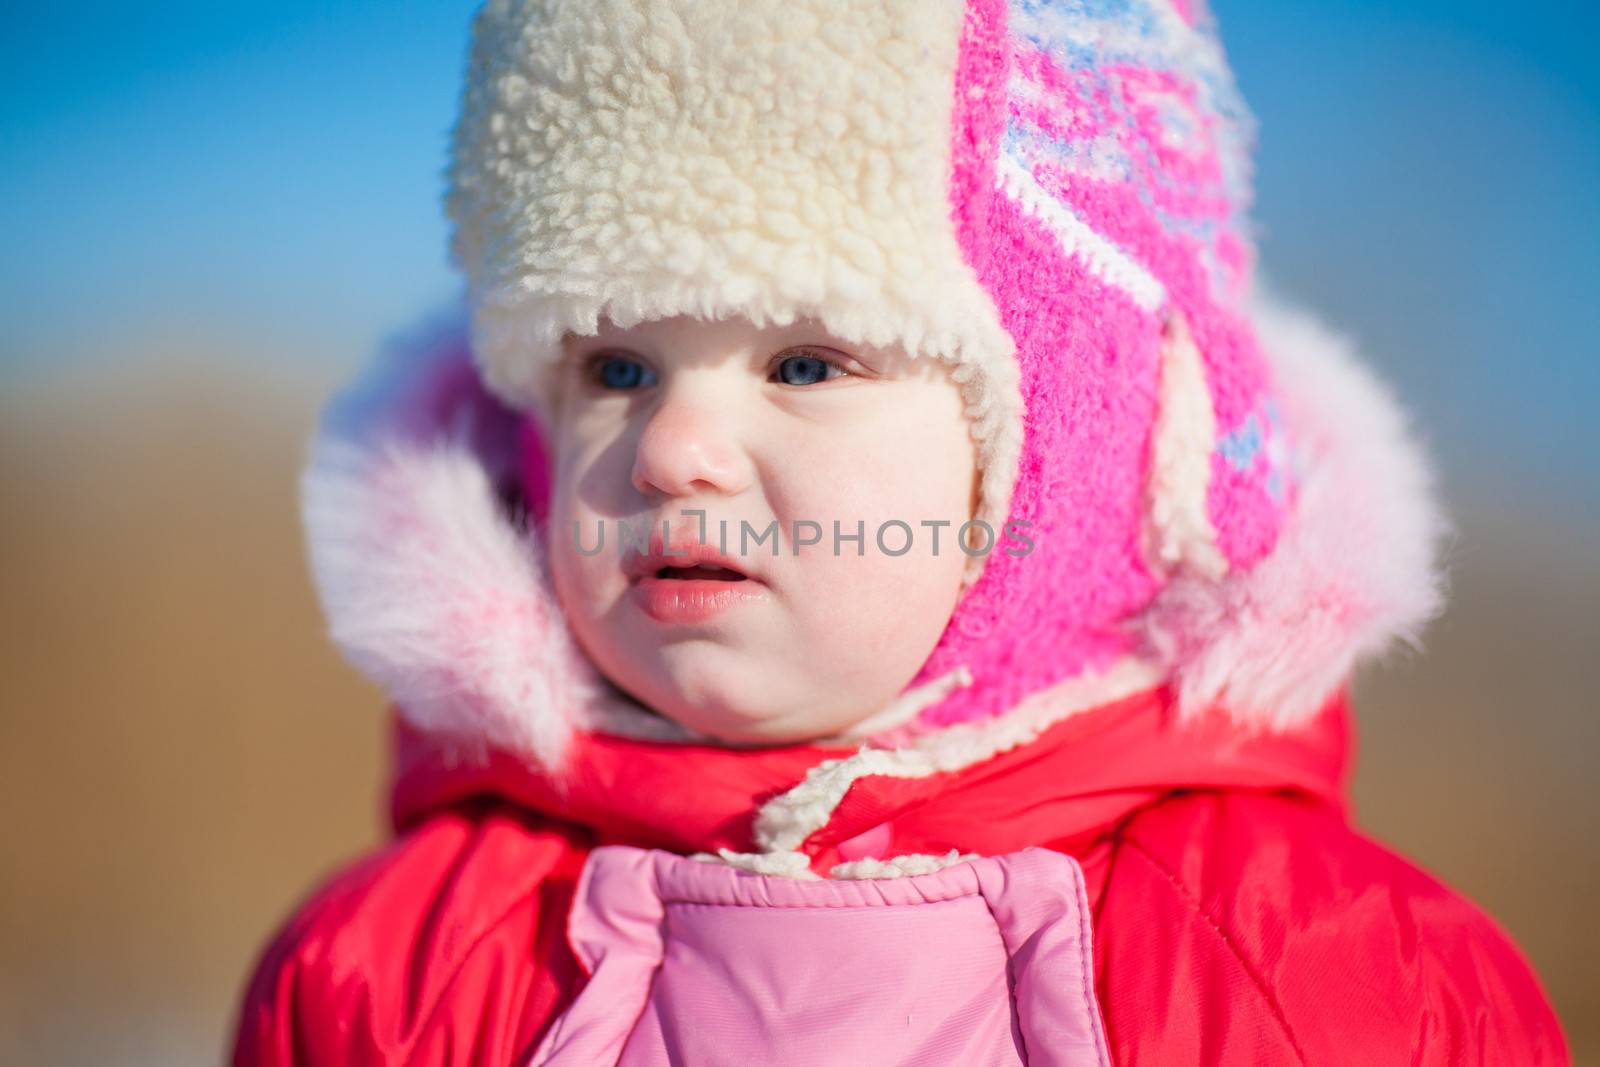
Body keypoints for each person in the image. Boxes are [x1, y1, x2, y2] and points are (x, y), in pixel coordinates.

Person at [228, 0, 1569, 1062]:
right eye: (615, 368)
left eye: (808, 363)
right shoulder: (389, 977)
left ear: (1072, 447)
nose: (675, 449)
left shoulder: (1337, 986)